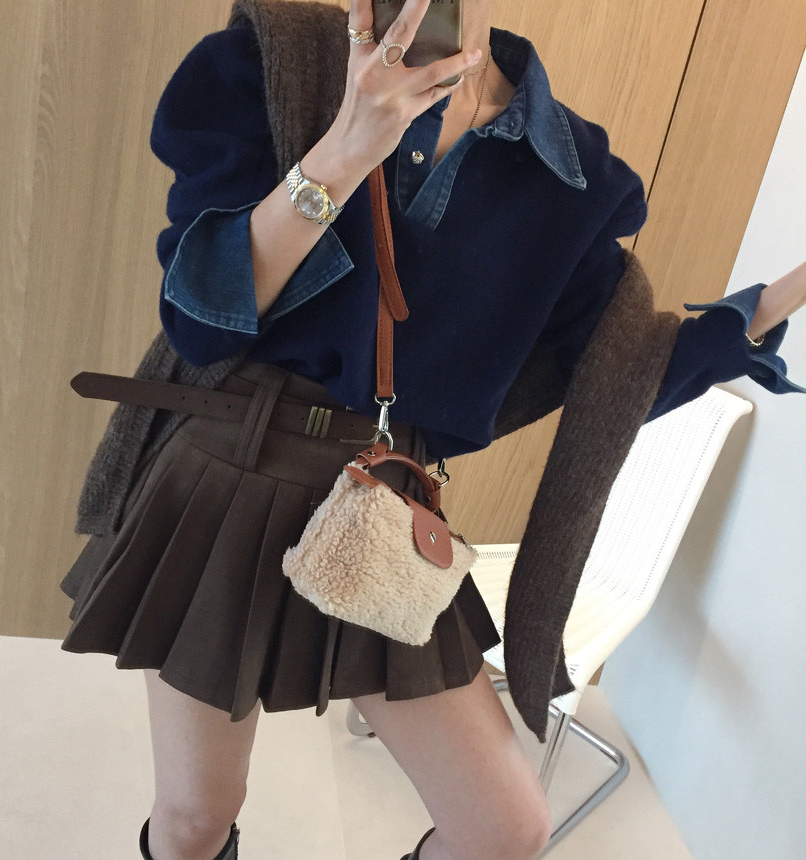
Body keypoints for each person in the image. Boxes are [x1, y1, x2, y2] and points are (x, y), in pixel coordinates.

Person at [59, 1, 806, 859]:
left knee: (505, 829)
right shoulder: (269, 65)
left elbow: (612, 379)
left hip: (386, 504)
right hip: (228, 469)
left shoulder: (572, 174)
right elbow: (200, 321)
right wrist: (347, 147)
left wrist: (771, 305)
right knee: (196, 818)